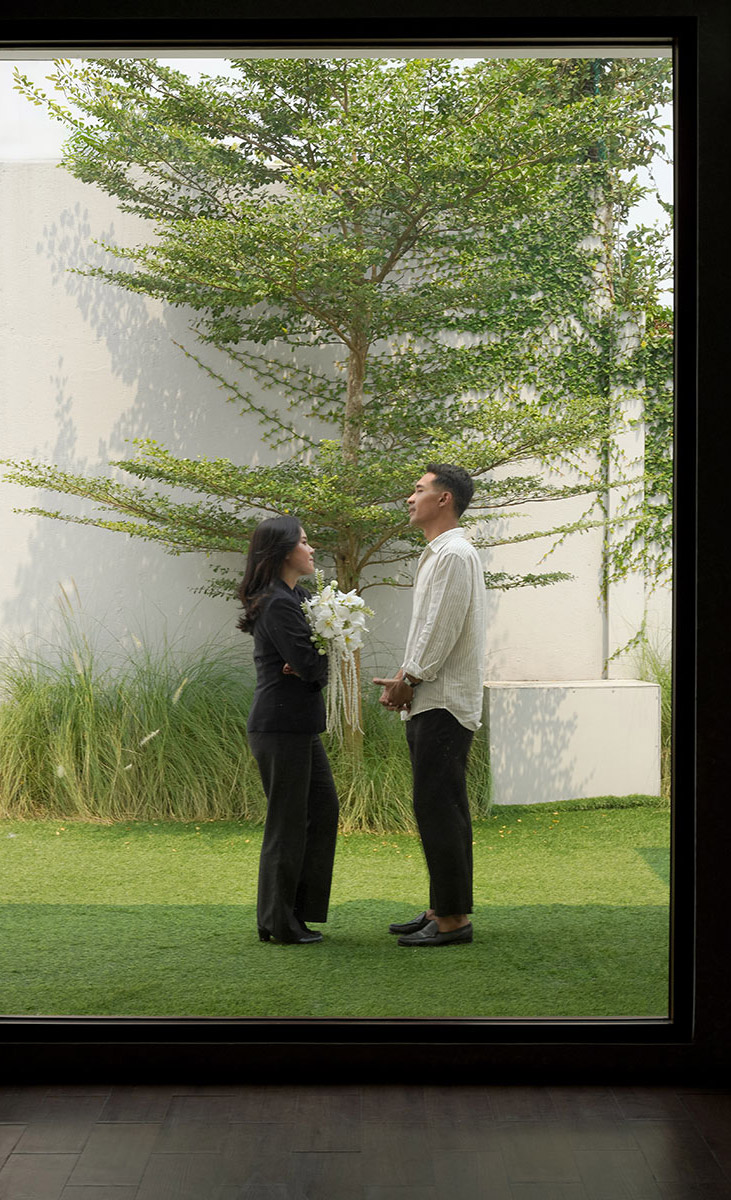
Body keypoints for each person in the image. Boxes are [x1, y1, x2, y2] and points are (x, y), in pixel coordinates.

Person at [373, 464, 487, 947]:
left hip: (442, 702)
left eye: (418, 489)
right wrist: (405, 679)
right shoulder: (440, 553)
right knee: (437, 807)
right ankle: (442, 908)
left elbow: (442, 627)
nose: (409, 497)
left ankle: (453, 920)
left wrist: (410, 678)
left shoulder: (454, 554)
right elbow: (428, 628)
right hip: (431, 699)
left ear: (444, 499)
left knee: (439, 808)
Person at [238, 515, 339, 945]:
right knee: (288, 822)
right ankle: (279, 923)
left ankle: (294, 914)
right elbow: (313, 666)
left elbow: (311, 662)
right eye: (304, 542)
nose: (312, 549)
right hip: (280, 726)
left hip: (298, 725)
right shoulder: (278, 602)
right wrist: (314, 661)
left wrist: (313, 659)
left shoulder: (299, 598)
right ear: (282, 552)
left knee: (322, 810)